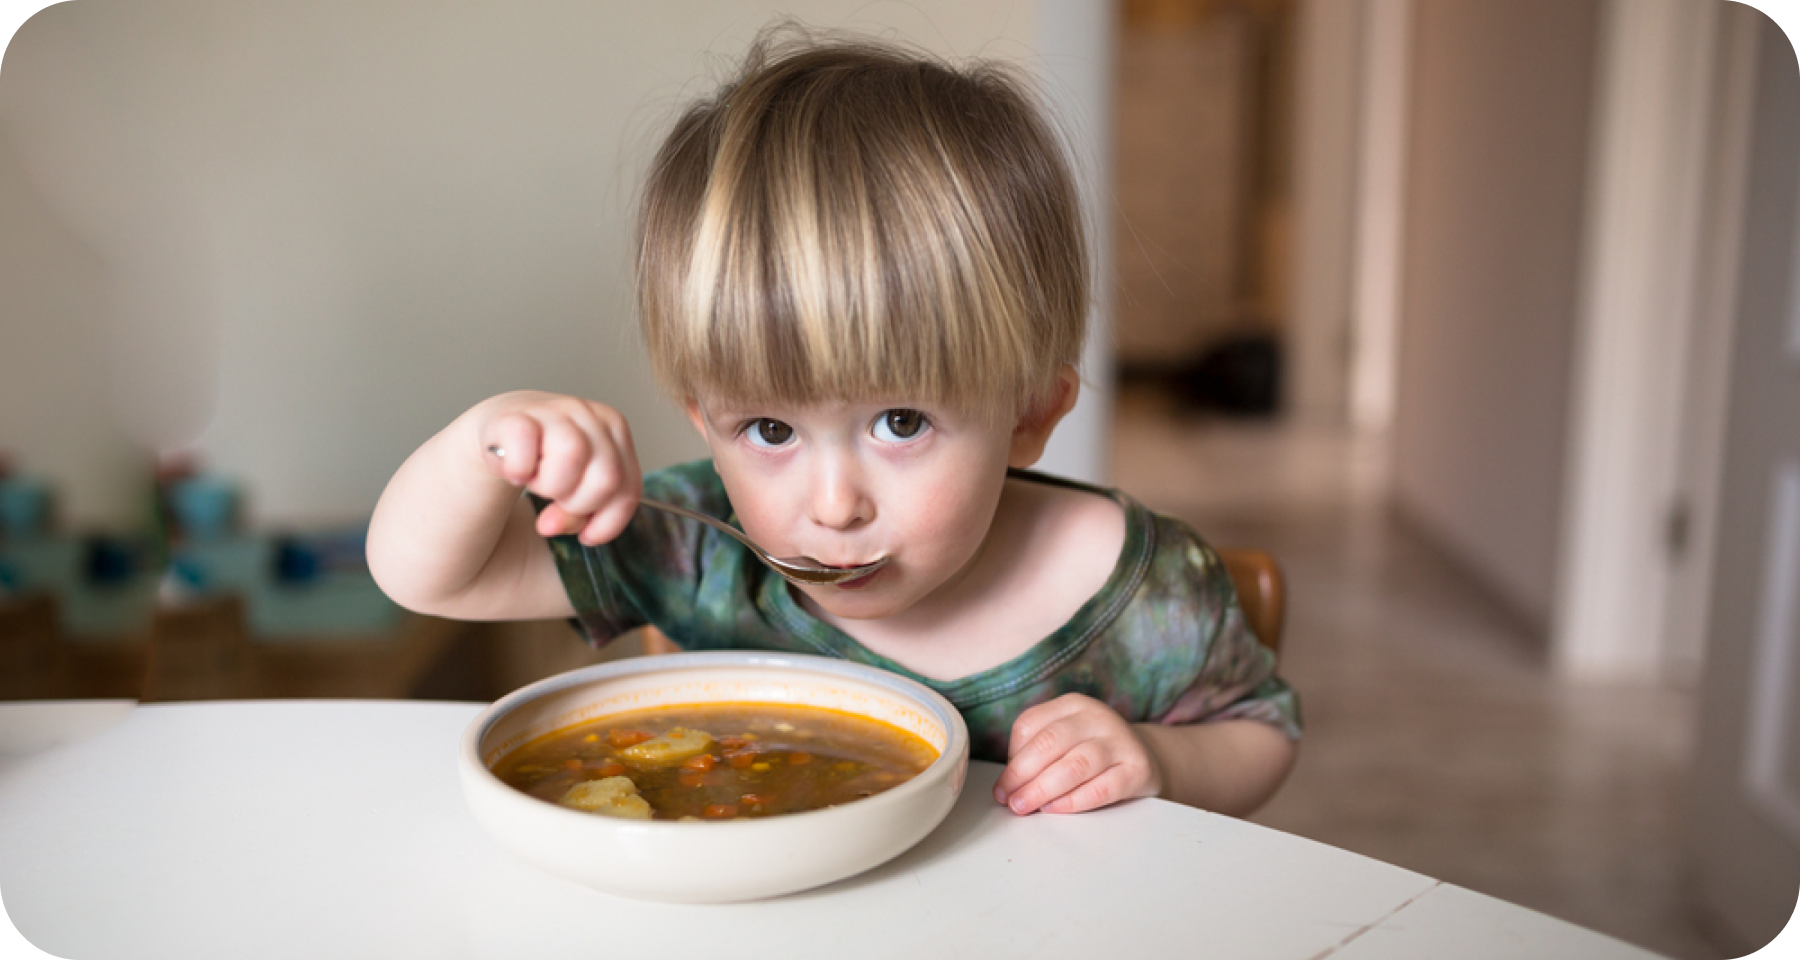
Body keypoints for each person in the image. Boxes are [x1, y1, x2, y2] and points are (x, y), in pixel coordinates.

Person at [367, 30, 1299, 818]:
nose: (833, 505)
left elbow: (1262, 730)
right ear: (705, 419)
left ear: (1029, 416)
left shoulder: (1144, 592)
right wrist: (488, 441)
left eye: (900, 421)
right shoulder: (697, 546)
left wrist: (1159, 761)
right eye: (768, 431)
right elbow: (430, 578)